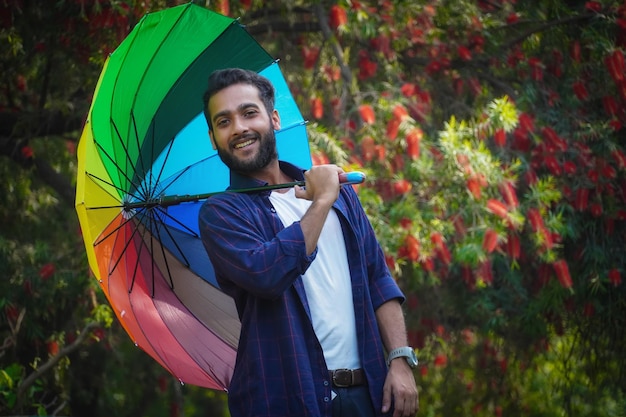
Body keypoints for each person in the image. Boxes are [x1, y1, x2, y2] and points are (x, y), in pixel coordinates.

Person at [198, 68, 419, 417]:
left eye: (249, 113)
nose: (238, 128)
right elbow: (267, 275)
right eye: (223, 121)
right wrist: (321, 203)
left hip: (370, 394)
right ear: (213, 138)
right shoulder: (221, 213)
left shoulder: (339, 194)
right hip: (287, 398)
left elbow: (378, 278)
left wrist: (400, 360)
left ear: (274, 118)